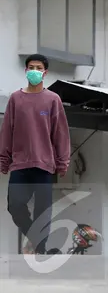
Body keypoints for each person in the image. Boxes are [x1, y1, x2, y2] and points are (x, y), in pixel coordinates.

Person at [0, 54, 70, 254]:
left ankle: (41, 249)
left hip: (44, 165)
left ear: (45, 72)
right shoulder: (16, 99)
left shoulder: (52, 100)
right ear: (25, 70)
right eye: (31, 67)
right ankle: (35, 237)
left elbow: (60, 133)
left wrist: (62, 161)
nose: (34, 71)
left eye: (38, 68)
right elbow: (7, 131)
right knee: (15, 206)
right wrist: (3, 160)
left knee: (43, 211)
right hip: (20, 165)